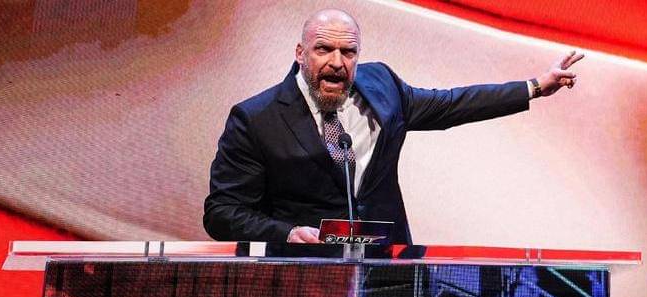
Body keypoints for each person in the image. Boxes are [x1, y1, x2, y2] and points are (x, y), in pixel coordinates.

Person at [203, 9, 583, 244]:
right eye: (323, 49)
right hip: (307, 283)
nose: (336, 62)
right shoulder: (256, 118)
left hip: (389, 275)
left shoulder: (382, 87)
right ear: (301, 53)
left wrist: (534, 87)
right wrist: (285, 234)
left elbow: (452, 104)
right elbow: (221, 212)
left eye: (348, 52)